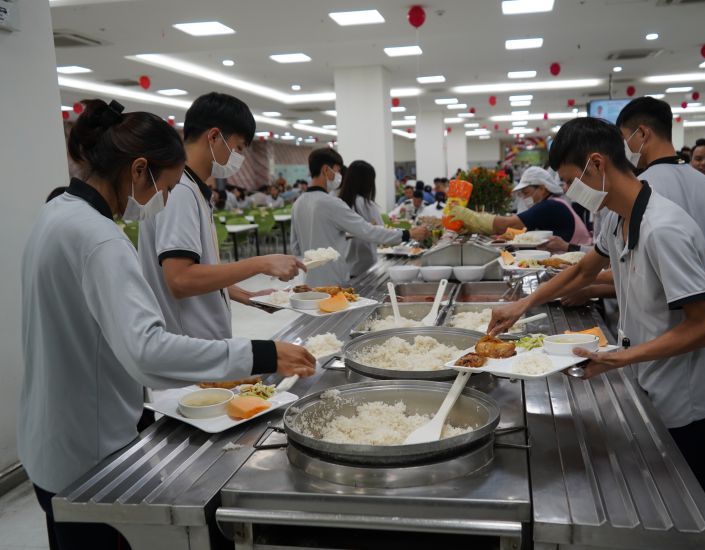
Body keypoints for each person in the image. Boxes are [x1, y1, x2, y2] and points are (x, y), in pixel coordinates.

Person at [20, 100, 316, 550]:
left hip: (49, 442)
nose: (162, 201)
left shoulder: (56, 213)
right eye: (167, 186)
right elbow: (147, 352)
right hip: (89, 453)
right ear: (140, 170)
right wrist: (263, 353)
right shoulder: (100, 239)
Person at [488, 117, 705, 498]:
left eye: (569, 180)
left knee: (683, 503)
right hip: (648, 377)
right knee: (652, 494)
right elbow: (585, 270)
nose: (568, 191)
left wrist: (621, 358)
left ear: (597, 164)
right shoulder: (617, 216)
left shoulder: (664, 228)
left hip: (685, 398)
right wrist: (524, 303)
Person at [138, 91, 307, 344]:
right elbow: (180, 279)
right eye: (238, 147)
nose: (239, 157)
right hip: (187, 342)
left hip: (200, 340)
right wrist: (261, 263)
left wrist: (248, 297)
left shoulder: (192, 188)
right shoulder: (180, 190)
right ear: (214, 136)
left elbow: (201, 270)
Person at [617, 97, 705, 294]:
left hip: (658, 307)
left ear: (642, 133)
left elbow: (631, 269)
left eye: (624, 139)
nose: (624, 147)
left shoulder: (638, 189)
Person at [290, 148, 429, 286]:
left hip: (309, 281)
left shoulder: (298, 203)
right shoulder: (331, 203)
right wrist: (408, 234)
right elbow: (368, 231)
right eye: (337, 171)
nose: (339, 176)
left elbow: (295, 247)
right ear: (326, 170)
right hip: (333, 281)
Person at [449, 166, 587, 245]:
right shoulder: (554, 202)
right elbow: (522, 229)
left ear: (542, 189)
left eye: (526, 193)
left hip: (577, 258)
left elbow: (507, 225)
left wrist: (471, 217)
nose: (525, 198)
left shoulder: (549, 206)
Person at [339, 160, 383, 275]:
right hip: (365, 266)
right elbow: (380, 232)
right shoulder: (366, 205)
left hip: (342, 267)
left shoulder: (338, 203)